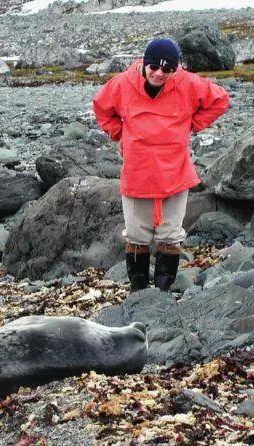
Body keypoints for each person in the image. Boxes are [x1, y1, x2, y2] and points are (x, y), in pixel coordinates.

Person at [92, 38, 230, 293]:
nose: (159, 73)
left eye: (167, 70)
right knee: (136, 234)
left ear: (175, 69)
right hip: (138, 170)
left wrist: (192, 124)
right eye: (153, 66)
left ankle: (163, 291)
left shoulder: (188, 83)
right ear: (145, 63)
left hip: (174, 169)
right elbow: (101, 107)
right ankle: (139, 291)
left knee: (170, 235)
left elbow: (220, 100)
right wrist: (119, 133)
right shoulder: (122, 83)